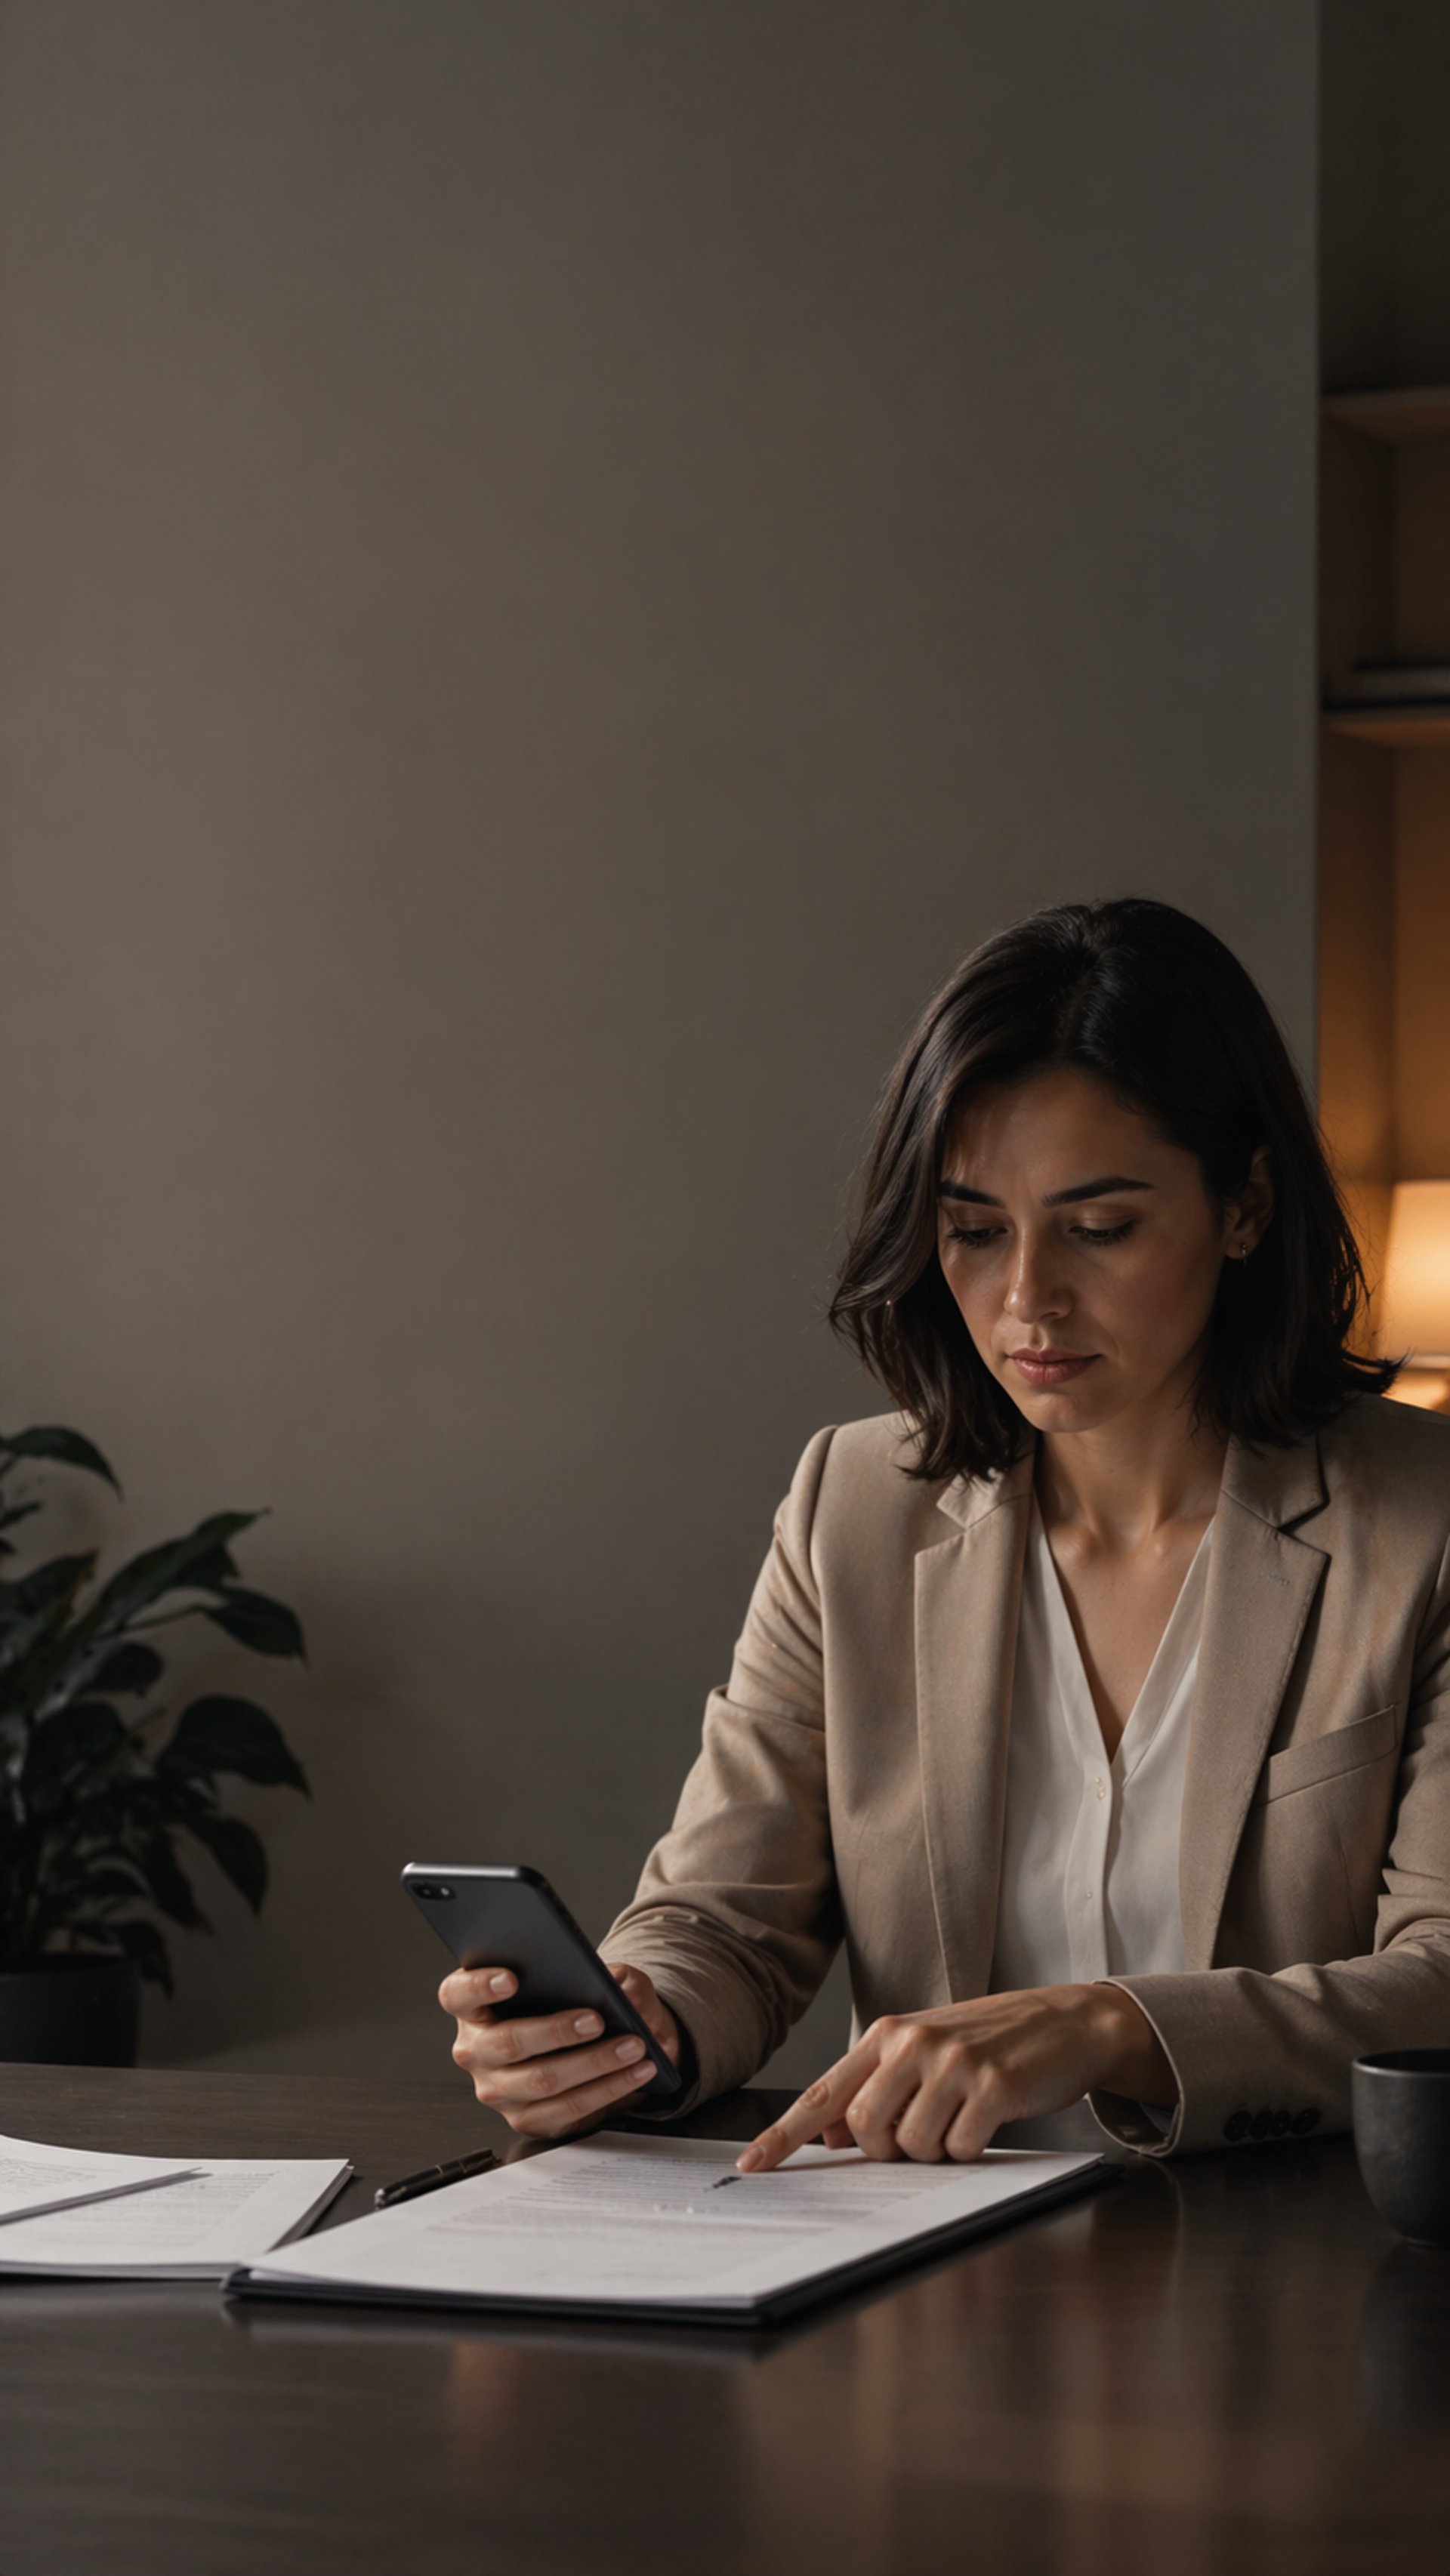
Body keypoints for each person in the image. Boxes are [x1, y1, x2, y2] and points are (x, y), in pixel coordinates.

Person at [442, 898, 1450, 2166]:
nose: (1028, 1297)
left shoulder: (1423, 1525)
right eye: (975, 1232)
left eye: (1099, 1228)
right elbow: (720, 1923)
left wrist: (1108, 2026)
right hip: (932, 2278)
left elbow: (1440, 1983)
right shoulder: (853, 1505)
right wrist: (632, 2026)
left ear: (1244, 1206)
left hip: (1292, 2278)